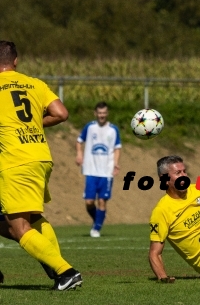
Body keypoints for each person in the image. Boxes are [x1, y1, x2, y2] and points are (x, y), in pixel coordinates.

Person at [0, 40, 82, 290]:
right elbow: (61, 113)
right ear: (15, 61)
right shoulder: (35, 83)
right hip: (40, 156)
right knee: (33, 218)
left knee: (18, 226)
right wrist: (33, 124)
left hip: (15, 160)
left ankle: (65, 271)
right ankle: (54, 266)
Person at [76, 101, 122, 238]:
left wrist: (116, 163)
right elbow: (79, 141)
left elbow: (117, 148)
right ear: (95, 113)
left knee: (102, 201)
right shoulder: (89, 127)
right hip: (90, 170)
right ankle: (99, 219)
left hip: (106, 172)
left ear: (107, 114)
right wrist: (79, 154)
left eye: (104, 113)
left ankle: (96, 228)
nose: (102, 115)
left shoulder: (113, 130)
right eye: (99, 113)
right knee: (89, 202)